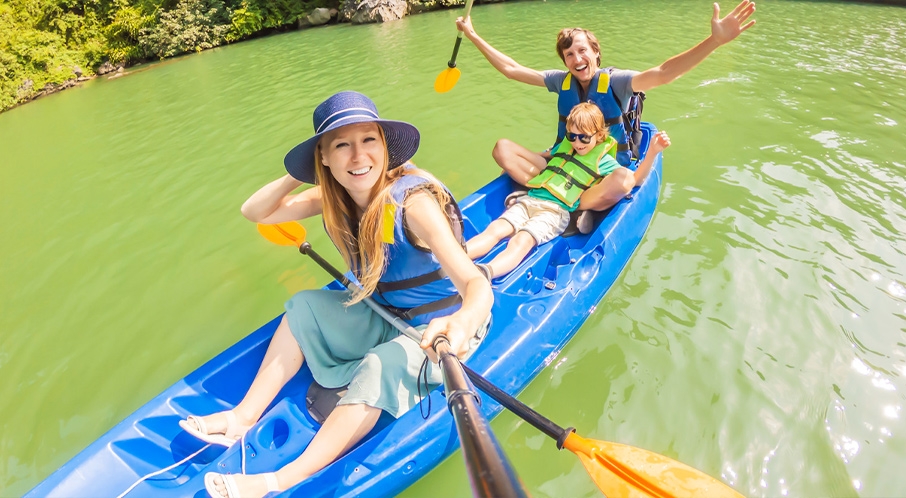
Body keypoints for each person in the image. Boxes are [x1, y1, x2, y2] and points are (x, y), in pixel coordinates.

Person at [178, 91, 494, 498]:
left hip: (440, 330)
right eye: (341, 145)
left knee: (381, 365)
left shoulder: (414, 205)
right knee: (302, 307)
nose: (358, 156)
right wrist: (301, 172)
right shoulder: (334, 197)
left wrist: (462, 322)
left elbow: (475, 285)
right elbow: (255, 212)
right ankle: (242, 418)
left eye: (369, 140)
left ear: (384, 146)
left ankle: (282, 480)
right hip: (385, 313)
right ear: (323, 158)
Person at [455, 1, 755, 211]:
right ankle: (555, 192)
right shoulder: (561, 81)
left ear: (596, 53)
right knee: (503, 150)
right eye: (569, 55)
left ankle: (572, 203)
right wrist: (472, 35)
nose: (577, 59)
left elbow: (664, 73)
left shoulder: (617, 82)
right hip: (564, 166)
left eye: (582, 50)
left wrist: (714, 41)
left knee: (623, 182)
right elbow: (511, 69)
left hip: (601, 173)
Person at [467, 102, 670, 280]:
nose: (577, 142)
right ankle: (459, 257)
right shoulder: (566, 148)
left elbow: (635, 180)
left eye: (584, 138)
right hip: (530, 199)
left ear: (599, 136)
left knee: (522, 240)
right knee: (495, 229)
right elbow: (547, 157)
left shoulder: (603, 161)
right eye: (572, 136)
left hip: (556, 211)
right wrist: (514, 167)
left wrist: (653, 151)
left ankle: (486, 271)